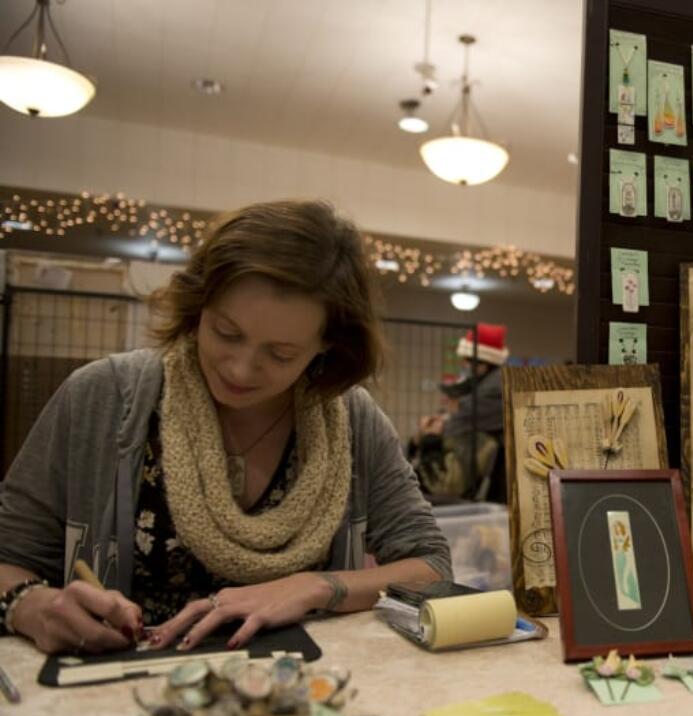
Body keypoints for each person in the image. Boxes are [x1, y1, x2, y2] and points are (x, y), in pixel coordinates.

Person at [0, 200, 450, 655]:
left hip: (299, 694)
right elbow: (7, 556)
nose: (240, 368)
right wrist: (30, 605)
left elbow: (431, 566)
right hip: (119, 685)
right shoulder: (102, 397)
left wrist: (317, 586)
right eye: (226, 332)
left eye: (281, 354)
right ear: (198, 307)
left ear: (326, 346)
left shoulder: (352, 420)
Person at [413, 323, 508, 502]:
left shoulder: (491, 391)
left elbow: (445, 486)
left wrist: (432, 435)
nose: (463, 364)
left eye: (467, 360)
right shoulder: (487, 385)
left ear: (482, 363)